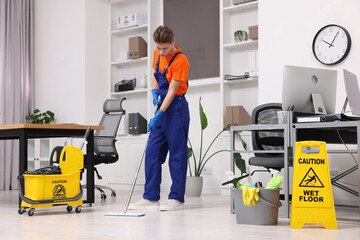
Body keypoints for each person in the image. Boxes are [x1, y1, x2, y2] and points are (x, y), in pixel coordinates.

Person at [129, 25, 190, 211]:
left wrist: (160, 114)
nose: (161, 52)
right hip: (162, 107)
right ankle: (150, 197)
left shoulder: (181, 60)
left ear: (173, 42)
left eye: (165, 48)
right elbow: (156, 75)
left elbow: (172, 91)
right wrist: (154, 90)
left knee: (177, 154)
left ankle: (176, 198)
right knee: (153, 151)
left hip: (176, 108)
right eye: (158, 48)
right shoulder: (157, 53)